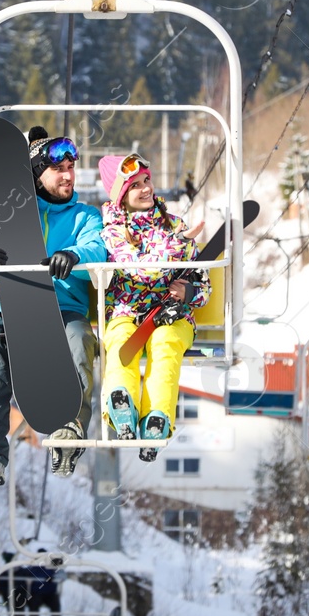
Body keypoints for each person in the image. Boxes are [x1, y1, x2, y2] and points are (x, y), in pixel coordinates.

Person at [0, 126, 105, 485]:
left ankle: (69, 428)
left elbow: (98, 247)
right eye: (58, 169)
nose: (68, 175)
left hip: (62, 311)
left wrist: (74, 255)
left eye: (71, 168)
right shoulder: (6, 213)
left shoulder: (84, 216)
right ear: (36, 174)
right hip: (8, 310)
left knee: (79, 339)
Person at [96, 153, 209, 462]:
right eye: (135, 185)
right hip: (127, 311)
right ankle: (122, 405)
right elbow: (140, 270)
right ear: (121, 196)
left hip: (171, 316)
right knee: (120, 342)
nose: (146, 188)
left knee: (166, 345)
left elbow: (204, 285)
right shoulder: (112, 232)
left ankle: (157, 418)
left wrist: (188, 292)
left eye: (147, 180)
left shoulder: (175, 224)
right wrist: (178, 244)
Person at [0, 550, 64, 616]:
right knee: (32, 604)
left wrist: (53, 577)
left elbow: (62, 575)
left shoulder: (52, 568)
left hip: (50, 594)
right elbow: (21, 574)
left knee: (55, 606)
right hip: (36, 593)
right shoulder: (33, 568)